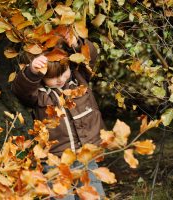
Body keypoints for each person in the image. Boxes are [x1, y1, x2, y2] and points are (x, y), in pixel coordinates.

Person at [12, 40, 105, 199]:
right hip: (56, 159)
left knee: (94, 194)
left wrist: (77, 43)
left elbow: (91, 56)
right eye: (53, 77)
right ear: (42, 77)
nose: (61, 79)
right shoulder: (39, 93)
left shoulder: (79, 78)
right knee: (63, 196)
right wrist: (32, 71)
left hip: (86, 154)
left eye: (64, 72)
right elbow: (21, 90)